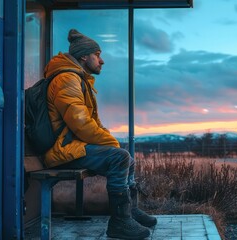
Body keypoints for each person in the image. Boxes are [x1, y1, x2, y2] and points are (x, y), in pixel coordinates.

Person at [43, 29, 156, 239]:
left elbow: (93, 123)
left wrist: (109, 142)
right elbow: (81, 123)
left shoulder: (78, 79)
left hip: (71, 145)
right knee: (120, 157)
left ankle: (128, 211)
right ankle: (120, 223)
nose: (101, 61)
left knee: (126, 159)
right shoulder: (67, 79)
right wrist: (112, 144)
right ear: (84, 56)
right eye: (97, 55)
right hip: (62, 149)